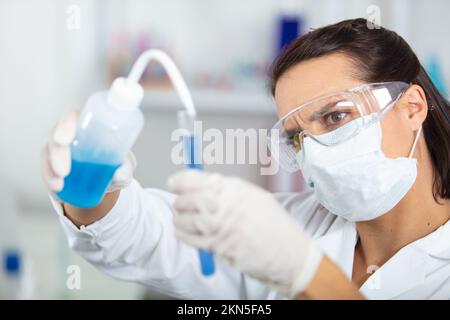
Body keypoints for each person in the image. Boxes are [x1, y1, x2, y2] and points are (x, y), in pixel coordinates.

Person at [42, 18, 450, 299]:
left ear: (412, 107)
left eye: (336, 116)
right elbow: (149, 239)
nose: (315, 151)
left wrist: (306, 272)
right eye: (295, 137)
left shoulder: (290, 247)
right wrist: (93, 187)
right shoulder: (292, 228)